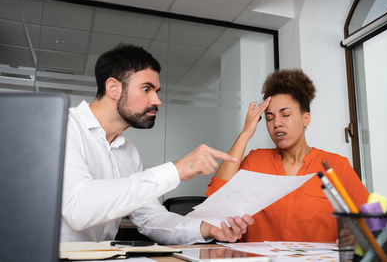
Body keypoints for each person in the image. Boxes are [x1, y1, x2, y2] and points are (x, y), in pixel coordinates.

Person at [61, 44, 253, 244]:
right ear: (113, 88)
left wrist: (207, 229)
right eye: (146, 89)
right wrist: (175, 170)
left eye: (156, 91)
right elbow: (78, 209)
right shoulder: (64, 127)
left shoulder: (129, 153)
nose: (157, 100)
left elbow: (151, 218)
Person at [206, 69, 368, 242]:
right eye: (269, 118)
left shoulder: (336, 165)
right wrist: (246, 132)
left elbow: (374, 222)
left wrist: (357, 236)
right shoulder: (256, 161)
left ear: (306, 118)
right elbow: (217, 196)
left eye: (286, 115)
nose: (277, 124)